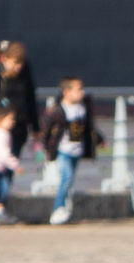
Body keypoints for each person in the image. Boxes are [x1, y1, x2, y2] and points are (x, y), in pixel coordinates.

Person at [40, 77, 105, 225]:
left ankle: (64, 208)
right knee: (66, 178)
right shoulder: (57, 109)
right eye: (78, 89)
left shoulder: (82, 108)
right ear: (66, 92)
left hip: (76, 150)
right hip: (63, 150)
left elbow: (88, 128)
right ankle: (58, 209)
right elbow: (46, 130)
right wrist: (45, 148)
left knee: (69, 180)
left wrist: (99, 139)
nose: (82, 92)